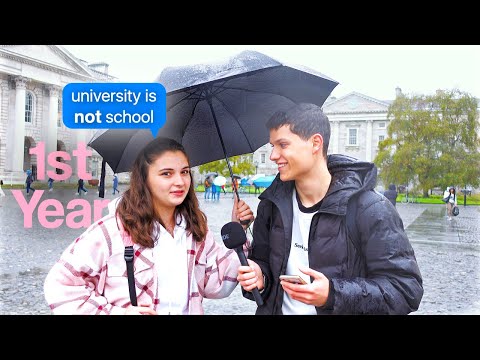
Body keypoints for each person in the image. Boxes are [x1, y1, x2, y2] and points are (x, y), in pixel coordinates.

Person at [237, 103, 423, 315]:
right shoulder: (271, 204)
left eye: (283, 145)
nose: (273, 155)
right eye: (272, 146)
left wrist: (333, 295)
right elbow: (264, 268)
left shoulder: (370, 208)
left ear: (315, 143)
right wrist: (261, 277)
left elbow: (406, 289)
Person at [44, 137, 254, 315]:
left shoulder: (194, 230)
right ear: (144, 179)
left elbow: (218, 283)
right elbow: (60, 285)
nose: (180, 182)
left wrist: (239, 231)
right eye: (167, 173)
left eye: (184, 172)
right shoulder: (112, 231)